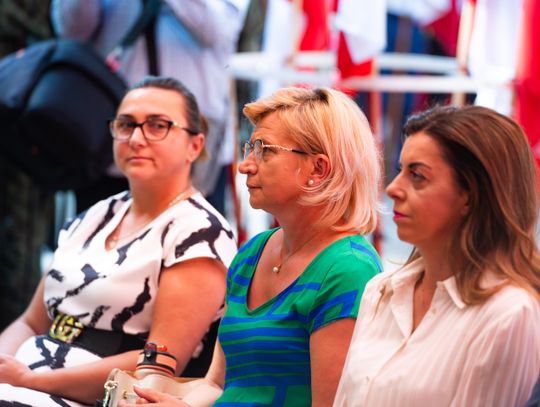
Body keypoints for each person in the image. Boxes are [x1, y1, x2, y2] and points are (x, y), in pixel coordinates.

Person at [119, 86, 383, 407]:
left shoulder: (348, 269)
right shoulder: (252, 252)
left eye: (264, 150)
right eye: (250, 148)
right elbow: (216, 384)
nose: (245, 166)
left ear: (318, 168)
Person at [0, 76, 237, 406]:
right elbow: (30, 322)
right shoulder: (97, 214)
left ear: (194, 146)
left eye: (158, 126)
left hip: (96, 396)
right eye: (126, 125)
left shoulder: (199, 232)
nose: (136, 138)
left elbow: (157, 366)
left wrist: (31, 381)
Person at [334, 105, 540, 406]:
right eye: (400, 171)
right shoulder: (381, 290)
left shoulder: (508, 314)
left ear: (470, 195)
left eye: (417, 176)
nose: (393, 189)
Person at [50, 0, 250, 214]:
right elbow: (72, 32)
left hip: (190, 150)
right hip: (109, 148)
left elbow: (217, 28)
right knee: (102, 230)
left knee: (193, 230)